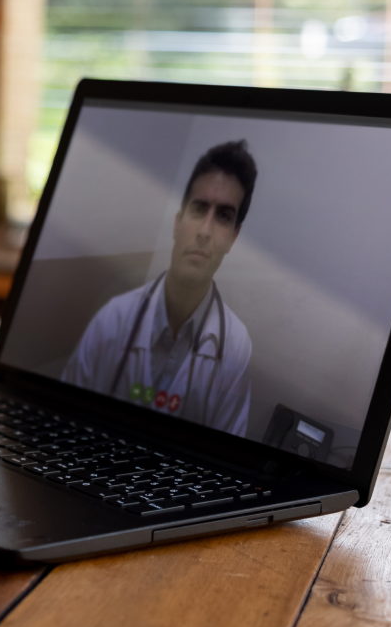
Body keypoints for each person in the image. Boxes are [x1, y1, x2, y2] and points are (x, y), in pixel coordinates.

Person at [60, 140, 257, 436]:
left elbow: (227, 462)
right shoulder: (113, 319)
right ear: (178, 223)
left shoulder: (236, 346)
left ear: (233, 238)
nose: (204, 231)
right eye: (198, 208)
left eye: (223, 216)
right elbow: (62, 420)